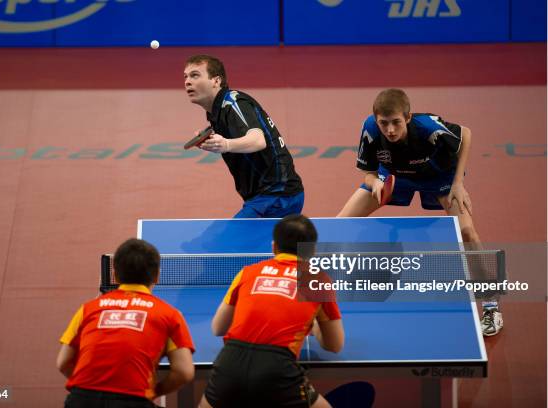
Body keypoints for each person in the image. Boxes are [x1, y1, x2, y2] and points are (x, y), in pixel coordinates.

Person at [336, 88, 503, 336]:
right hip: (394, 176)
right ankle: (328, 300)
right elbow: (368, 173)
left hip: (439, 178)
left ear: (408, 117)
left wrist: (458, 183)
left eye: (396, 123)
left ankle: (491, 305)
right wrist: (376, 184)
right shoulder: (371, 129)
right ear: (376, 119)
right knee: (339, 223)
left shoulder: (428, 128)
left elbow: (465, 134)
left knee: (467, 232)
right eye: (384, 123)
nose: (390, 130)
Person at [198, 214, 345, 408]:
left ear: (274, 246)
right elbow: (334, 345)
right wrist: (316, 324)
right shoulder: (318, 280)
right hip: (277, 368)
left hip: (230, 363)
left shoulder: (247, 272)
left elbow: (218, 328)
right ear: (312, 251)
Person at [56, 238, 195, 407]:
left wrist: (90, 388)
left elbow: (63, 363)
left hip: (81, 400)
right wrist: (153, 391)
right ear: (157, 276)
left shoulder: (87, 309)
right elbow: (184, 372)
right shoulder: (170, 315)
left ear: (114, 275)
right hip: (132, 401)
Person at [184, 54, 305, 218]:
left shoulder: (234, 103)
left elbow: (258, 139)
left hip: (277, 196)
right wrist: (212, 140)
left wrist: (225, 144)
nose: (187, 81)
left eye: (195, 75)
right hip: (263, 197)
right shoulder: (216, 112)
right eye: (186, 77)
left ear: (216, 81)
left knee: (223, 243)